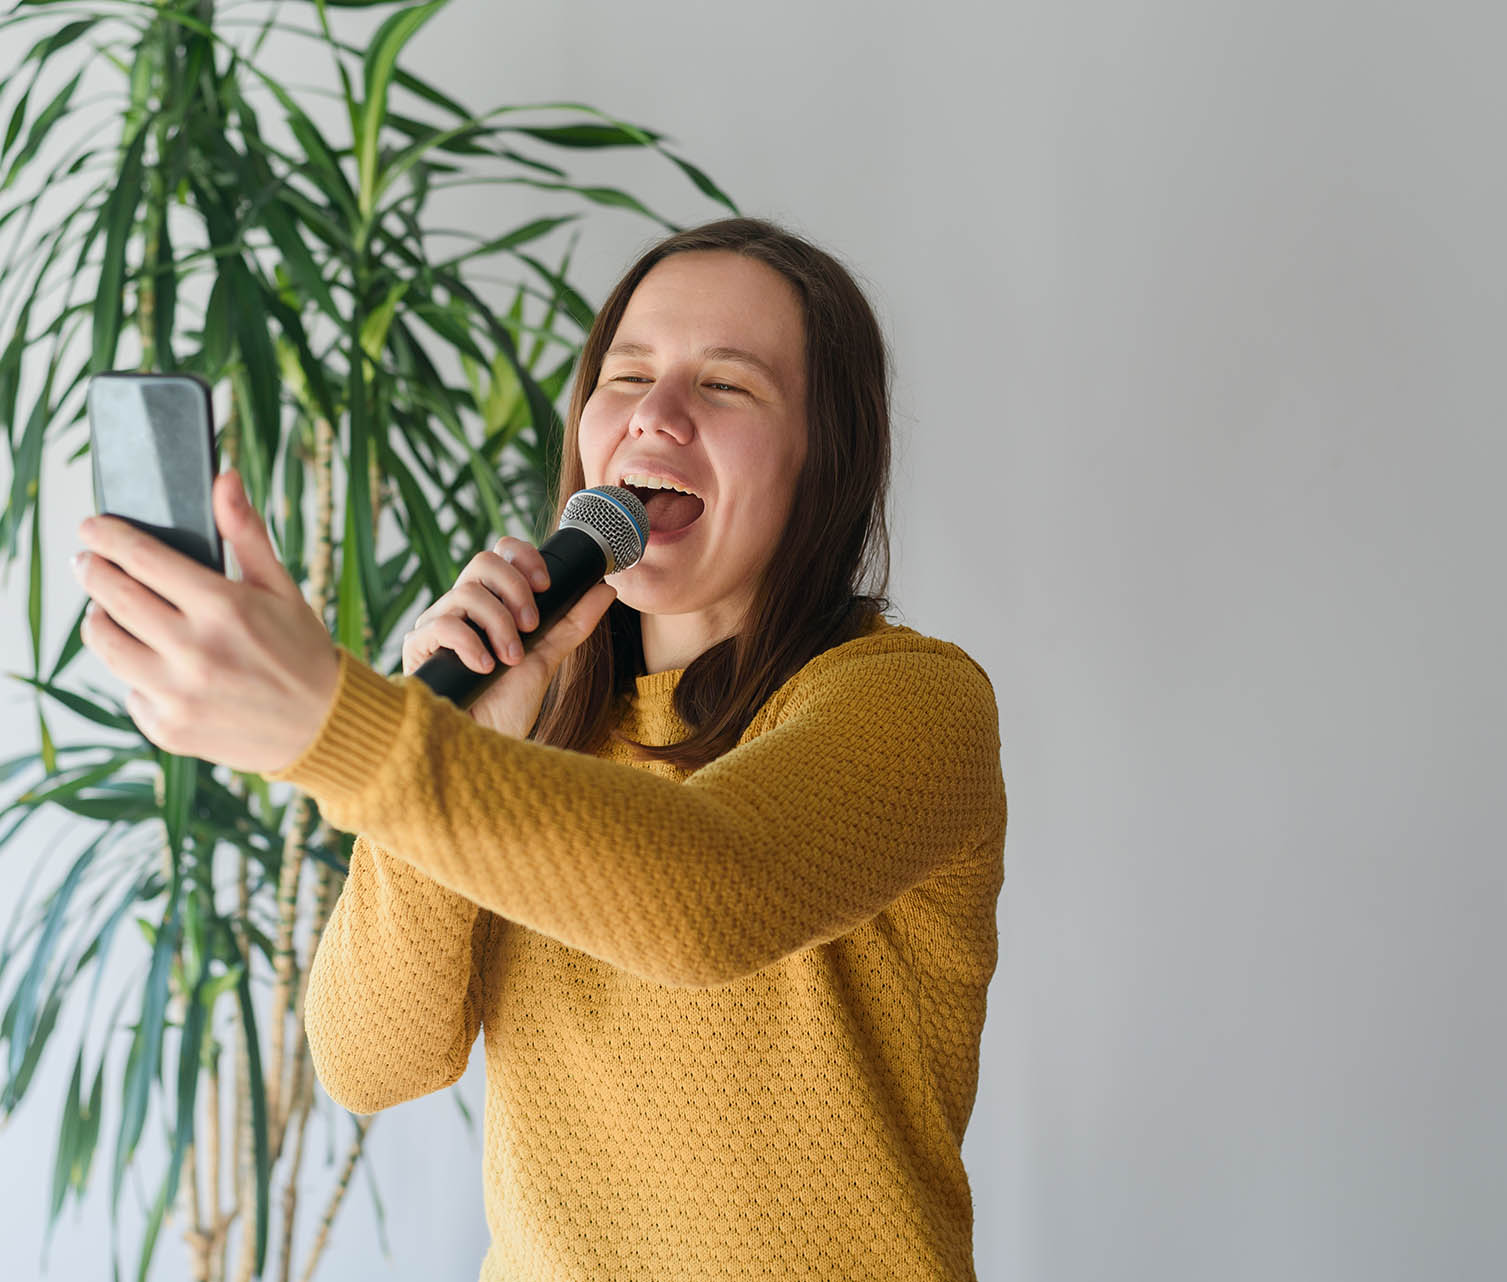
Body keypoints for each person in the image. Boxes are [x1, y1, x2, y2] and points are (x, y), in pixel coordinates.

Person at [72, 216, 1007, 1281]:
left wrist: (344, 727)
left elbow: (709, 890)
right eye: (628, 374)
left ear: (825, 459)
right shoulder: (526, 751)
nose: (655, 415)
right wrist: (455, 734)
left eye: (727, 386)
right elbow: (373, 1059)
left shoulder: (913, 700)